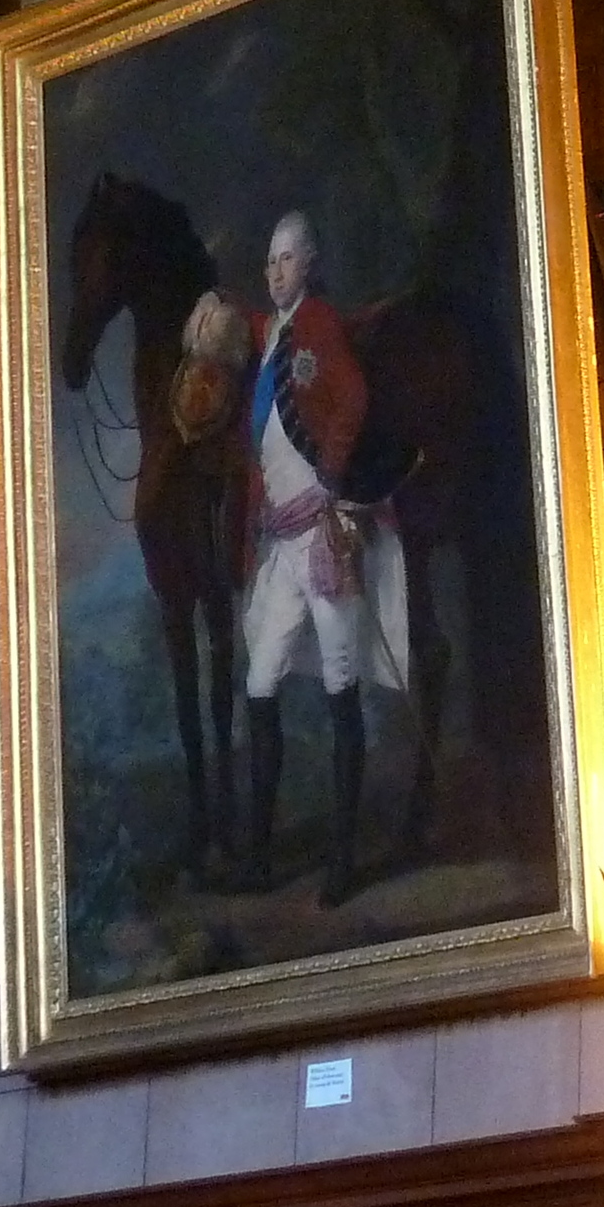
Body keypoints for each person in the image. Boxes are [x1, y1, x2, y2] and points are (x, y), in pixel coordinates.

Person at [228, 210, 409, 902]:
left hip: (323, 533)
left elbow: (353, 395)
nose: (274, 271)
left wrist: (330, 474)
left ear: (308, 263)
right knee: (262, 681)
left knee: (340, 686)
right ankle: (261, 858)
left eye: (285, 260)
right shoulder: (268, 331)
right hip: (279, 540)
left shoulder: (319, 323)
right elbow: (242, 327)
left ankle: (341, 859)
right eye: (268, 262)